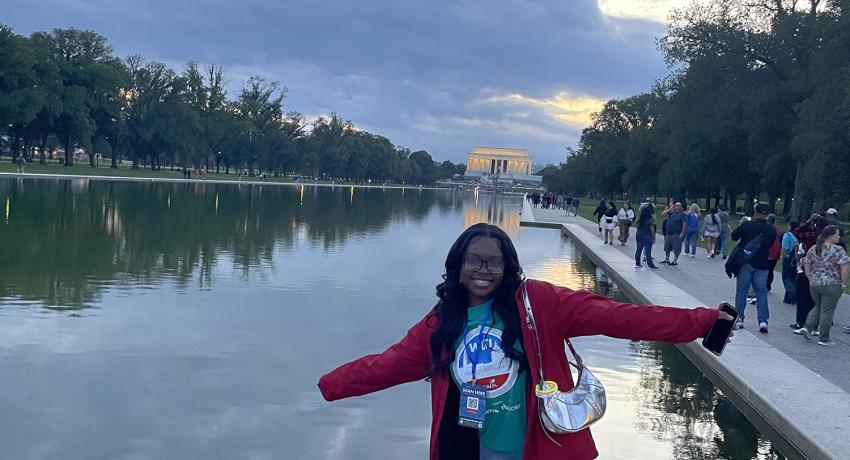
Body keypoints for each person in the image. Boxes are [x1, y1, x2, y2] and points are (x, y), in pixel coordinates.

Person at [317, 223, 731, 460]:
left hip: (541, 446)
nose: (483, 270)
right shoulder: (443, 322)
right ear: (457, 266)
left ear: (508, 266)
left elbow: (620, 317)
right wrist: (330, 385)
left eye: (494, 261)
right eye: (474, 260)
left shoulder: (540, 303)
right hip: (476, 449)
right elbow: (390, 364)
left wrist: (703, 322)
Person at [793, 226, 850, 347]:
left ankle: (807, 327)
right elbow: (845, 266)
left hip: (815, 283)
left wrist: (809, 277)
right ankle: (824, 337)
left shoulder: (815, 248)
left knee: (818, 306)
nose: (839, 237)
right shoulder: (838, 250)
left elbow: (806, 262)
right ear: (830, 236)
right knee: (827, 311)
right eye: (837, 234)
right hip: (832, 283)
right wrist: (843, 282)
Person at [731, 203, 776, 333]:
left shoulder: (747, 225)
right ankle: (763, 321)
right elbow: (770, 244)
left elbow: (734, 236)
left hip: (746, 262)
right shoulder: (771, 229)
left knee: (742, 291)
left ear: (755, 212)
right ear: (767, 214)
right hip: (762, 263)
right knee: (761, 292)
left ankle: (739, 319)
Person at [780, 220, 800, 305]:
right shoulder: (799, 236)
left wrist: (782, 257)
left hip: (788, 258)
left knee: (786, 278)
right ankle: (788, 297)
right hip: (796, 259)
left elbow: (785, 248)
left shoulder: (787, 235)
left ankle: (793, 295)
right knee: (793, 277)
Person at [635, 205, 658, 269]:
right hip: (647, 236)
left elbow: (637, 227)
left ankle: (637, 263)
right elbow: (652, 230)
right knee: (648, 252)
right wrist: (654, 237)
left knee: (638, 250)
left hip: (639, 235)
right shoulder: (650, 220)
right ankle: (650, 265)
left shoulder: (639, 220)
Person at [765, 215, 783, 291]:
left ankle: (764, 284)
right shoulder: (779, 231)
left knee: (764, 269)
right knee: (771, 270)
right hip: (775, 252)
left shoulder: (765, 229)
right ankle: (768, 284)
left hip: (767, 251)